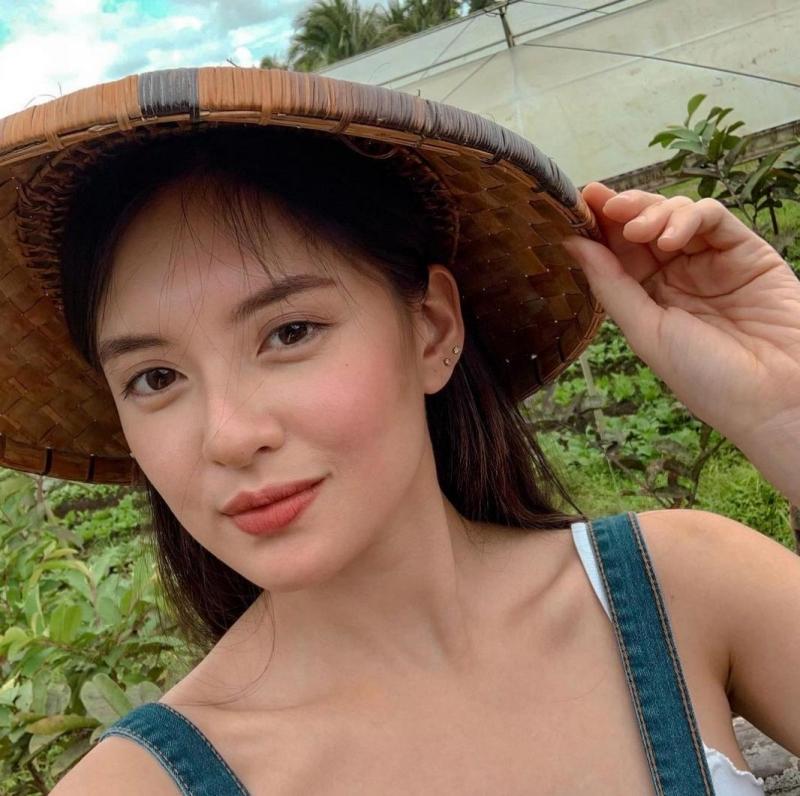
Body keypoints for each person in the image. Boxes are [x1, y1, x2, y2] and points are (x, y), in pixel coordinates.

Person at [0, 67, 796, 795]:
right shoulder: (136, 786)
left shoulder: (680, 588)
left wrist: (786, 417)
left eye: (289, 332)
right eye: (155, 378)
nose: (230, 436)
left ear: (431, 328)